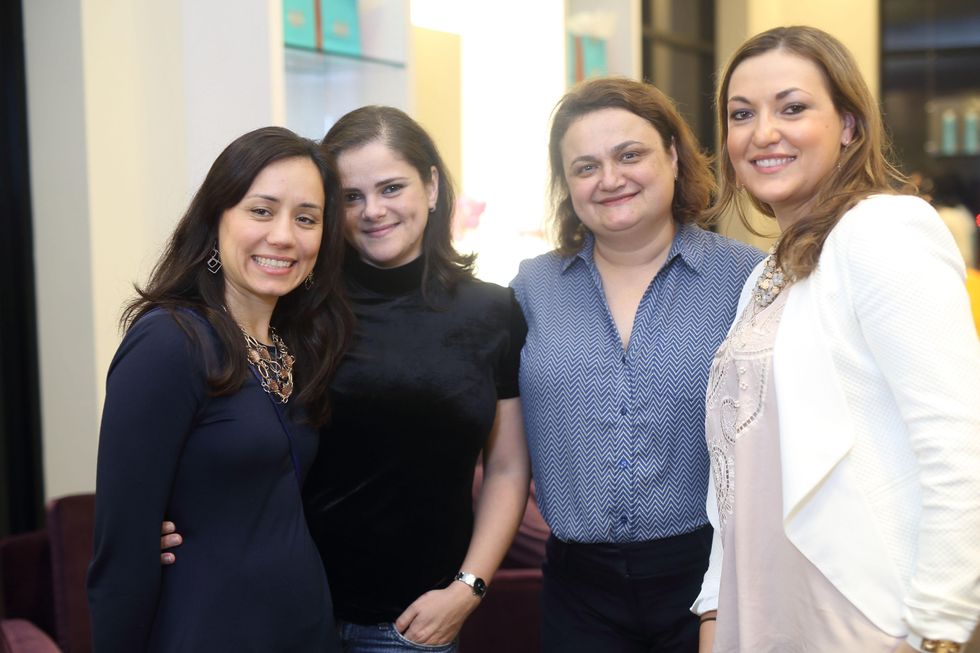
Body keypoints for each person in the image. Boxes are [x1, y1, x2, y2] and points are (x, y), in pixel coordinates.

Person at [160, 108, 530, 652]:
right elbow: (216, 427)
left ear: (430, 186)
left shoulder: (493, 311)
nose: (372, 211)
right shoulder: (292, 304)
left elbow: (506, 466)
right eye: (350, 197)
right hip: (280, 608)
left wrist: (468, 587)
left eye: (391, 188)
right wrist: (158, 516)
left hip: (410, 623)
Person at [694, 25, 980, 653]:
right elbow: (734, 474)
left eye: (792, 108)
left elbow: (958, 444)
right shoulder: (767, 275)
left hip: (860, 615)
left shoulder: (882, 231)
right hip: (762, 610)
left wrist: (939, 629)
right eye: (742, 114)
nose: (763, 132)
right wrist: (716, 610)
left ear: (849, 124)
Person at [510, 77, 763, 652]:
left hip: (712, 580)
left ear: (673, 155)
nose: (611, 179)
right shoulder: (532, 287)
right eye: (585, 166)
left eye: (630, 155)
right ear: (567, 183)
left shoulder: (747, 280)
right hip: (579, 589)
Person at [87, 126, 352, 652]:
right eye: (261, 210)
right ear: (216, 219)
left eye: (306, 219)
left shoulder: (297, 345)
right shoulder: (169, 341)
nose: (283, 236)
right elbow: (122, 548)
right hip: (207, 630)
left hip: (303, 628)